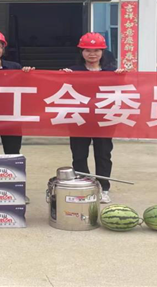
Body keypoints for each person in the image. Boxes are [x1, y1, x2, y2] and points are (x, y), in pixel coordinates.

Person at [60, 32, 128, 204]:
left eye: (96, 50)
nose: (92, 54)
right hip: (79, 118)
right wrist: (61, 77)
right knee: (79, 154)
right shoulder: (73, 71)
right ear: (81, 52)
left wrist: (122, 77)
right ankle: (84, 185)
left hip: (104, 118)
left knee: (103, 154)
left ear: (103, 52)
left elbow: (124, 92)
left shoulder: (112, 72)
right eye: (88, 50)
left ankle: (103, 188)